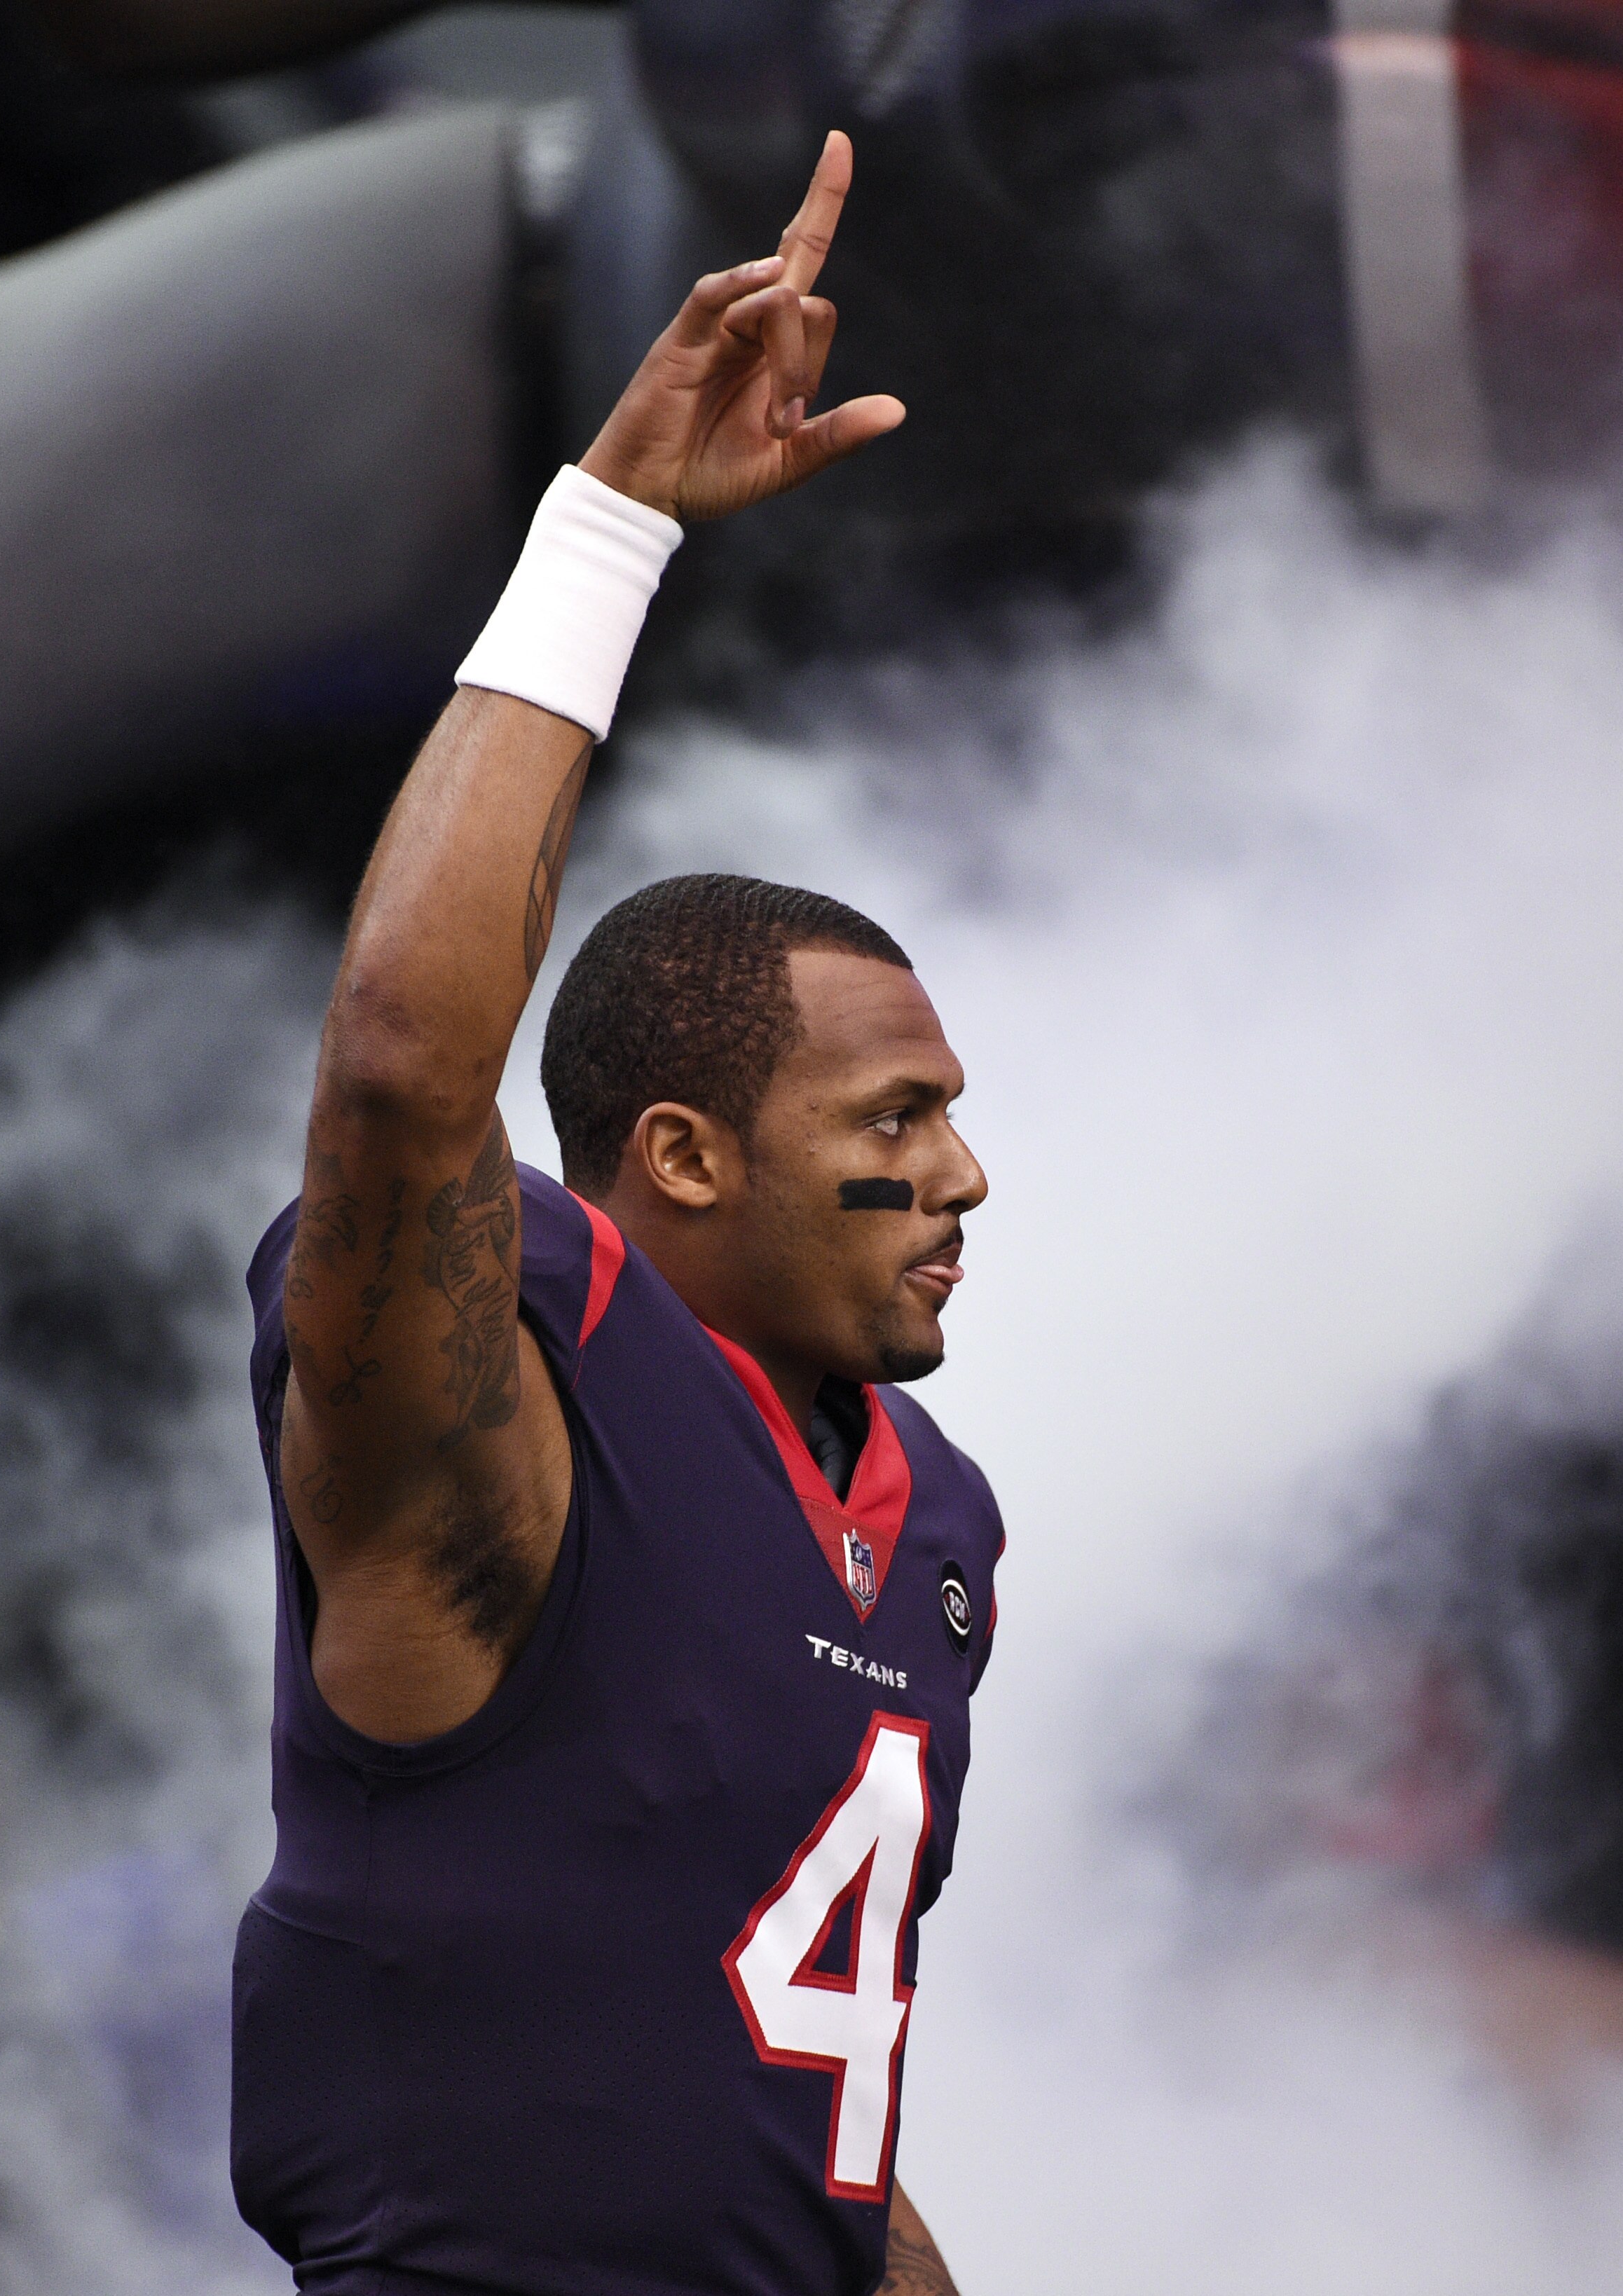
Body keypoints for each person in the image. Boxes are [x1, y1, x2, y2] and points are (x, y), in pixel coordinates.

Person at [235, 132, 990, 2296]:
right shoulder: (522, 1391)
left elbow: (778, 2121)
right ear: (678, 1157)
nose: (961, 1174)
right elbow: (402, 1067)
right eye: (897, 1116)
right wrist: (608, 532)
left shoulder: (930, 1525)